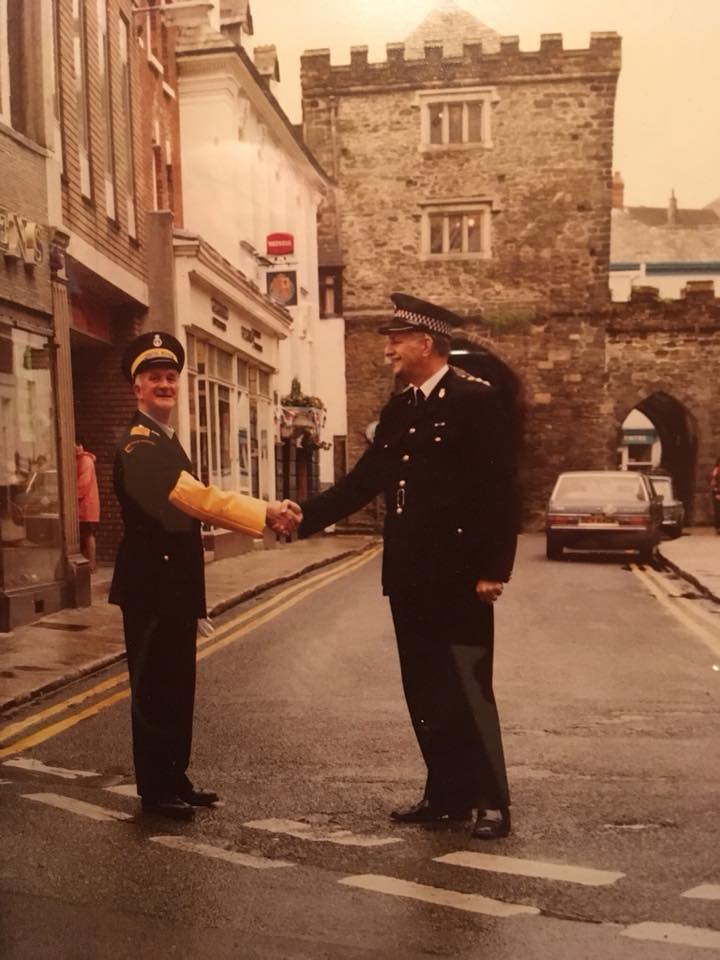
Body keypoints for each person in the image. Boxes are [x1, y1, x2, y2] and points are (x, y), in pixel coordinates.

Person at [298, 293, 519, 840]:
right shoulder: (401, 408)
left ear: (426, 343)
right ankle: (445, 795)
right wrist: (300, 517)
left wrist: (494, 567)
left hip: (461, 575)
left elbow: (499, 489)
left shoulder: (475, 400)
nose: (389, 348)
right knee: (424, 688)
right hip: (409, 575)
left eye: (396, 339)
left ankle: (491, 800)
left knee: (469, 685)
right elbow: (362, 483)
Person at [109, 331, 301, 820]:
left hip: (172, 587)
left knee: (177, 685)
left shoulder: (165, 439)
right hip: (150, 588)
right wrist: (266, 512)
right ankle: (156, 789)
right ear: (137, 388)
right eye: (154, 378)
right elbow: (197, 500)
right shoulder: (140, 445)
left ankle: (176, 777)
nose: (165, 384)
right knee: (155, 688)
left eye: (171, 377)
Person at [75, 436, 100, 572]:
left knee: (88, 534)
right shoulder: (79, 460)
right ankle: (89, 563)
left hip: (86, 506)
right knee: (86, 535)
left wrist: (73, 497)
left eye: (76, 445)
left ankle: (91, 564)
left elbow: (83, 483)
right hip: (84, 505)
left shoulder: (85, 460)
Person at [712, 458, 720, 533]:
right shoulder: (716, 471)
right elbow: (714, 482)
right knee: (718, 511)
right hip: (718, 493)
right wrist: (717, 493)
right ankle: (718, 528)